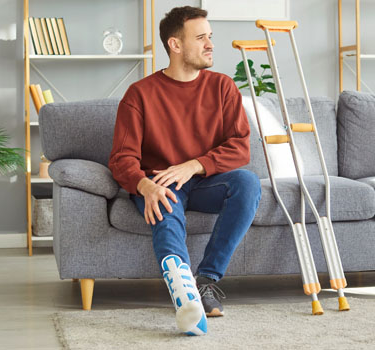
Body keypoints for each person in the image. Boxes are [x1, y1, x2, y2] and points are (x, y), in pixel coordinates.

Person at [108, 5, 261, 336]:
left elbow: (240, 147)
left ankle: (204, 281)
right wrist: (145, 186)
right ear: (175, 45)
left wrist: (193, 165)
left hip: (206, 181)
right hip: (161, 182)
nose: (210, 45)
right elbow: (121, 158)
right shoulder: (140, 95)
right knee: (164, 201)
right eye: (201, 38)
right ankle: (183, 293)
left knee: (247, 183)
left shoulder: (222, 88)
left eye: (211, 37)